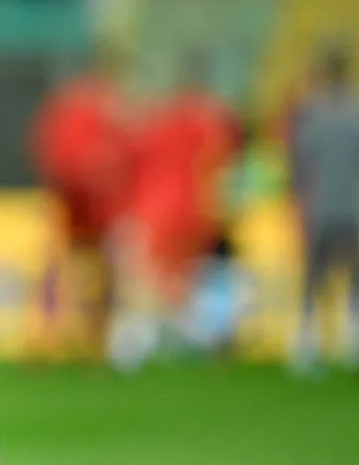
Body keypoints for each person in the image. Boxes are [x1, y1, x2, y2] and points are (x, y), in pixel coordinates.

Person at [109, 52, 242, 368]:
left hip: (152, 212)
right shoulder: (211, 120)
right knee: (185, 283)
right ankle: (202, 341)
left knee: (150, 284)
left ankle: (133, 347)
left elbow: (129, 160)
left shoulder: (156, 118)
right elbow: (221, 165)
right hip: (192, 214)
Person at [27, 44, 137, 358]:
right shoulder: (99, 107)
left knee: (69, 266)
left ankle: (65, 333)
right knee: (81, 266)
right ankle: (77, 334)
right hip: (83, 201)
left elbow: (47, 148)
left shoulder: (77, 105)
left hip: (79, 199)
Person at [288, 45, 359, 374]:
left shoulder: (311, 113)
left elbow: (300, 162)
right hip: (353, 205)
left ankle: (308, 340)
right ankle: (358, 339)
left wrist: (300, 198)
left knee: (314, 275)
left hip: (319, 206)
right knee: (357, 272)